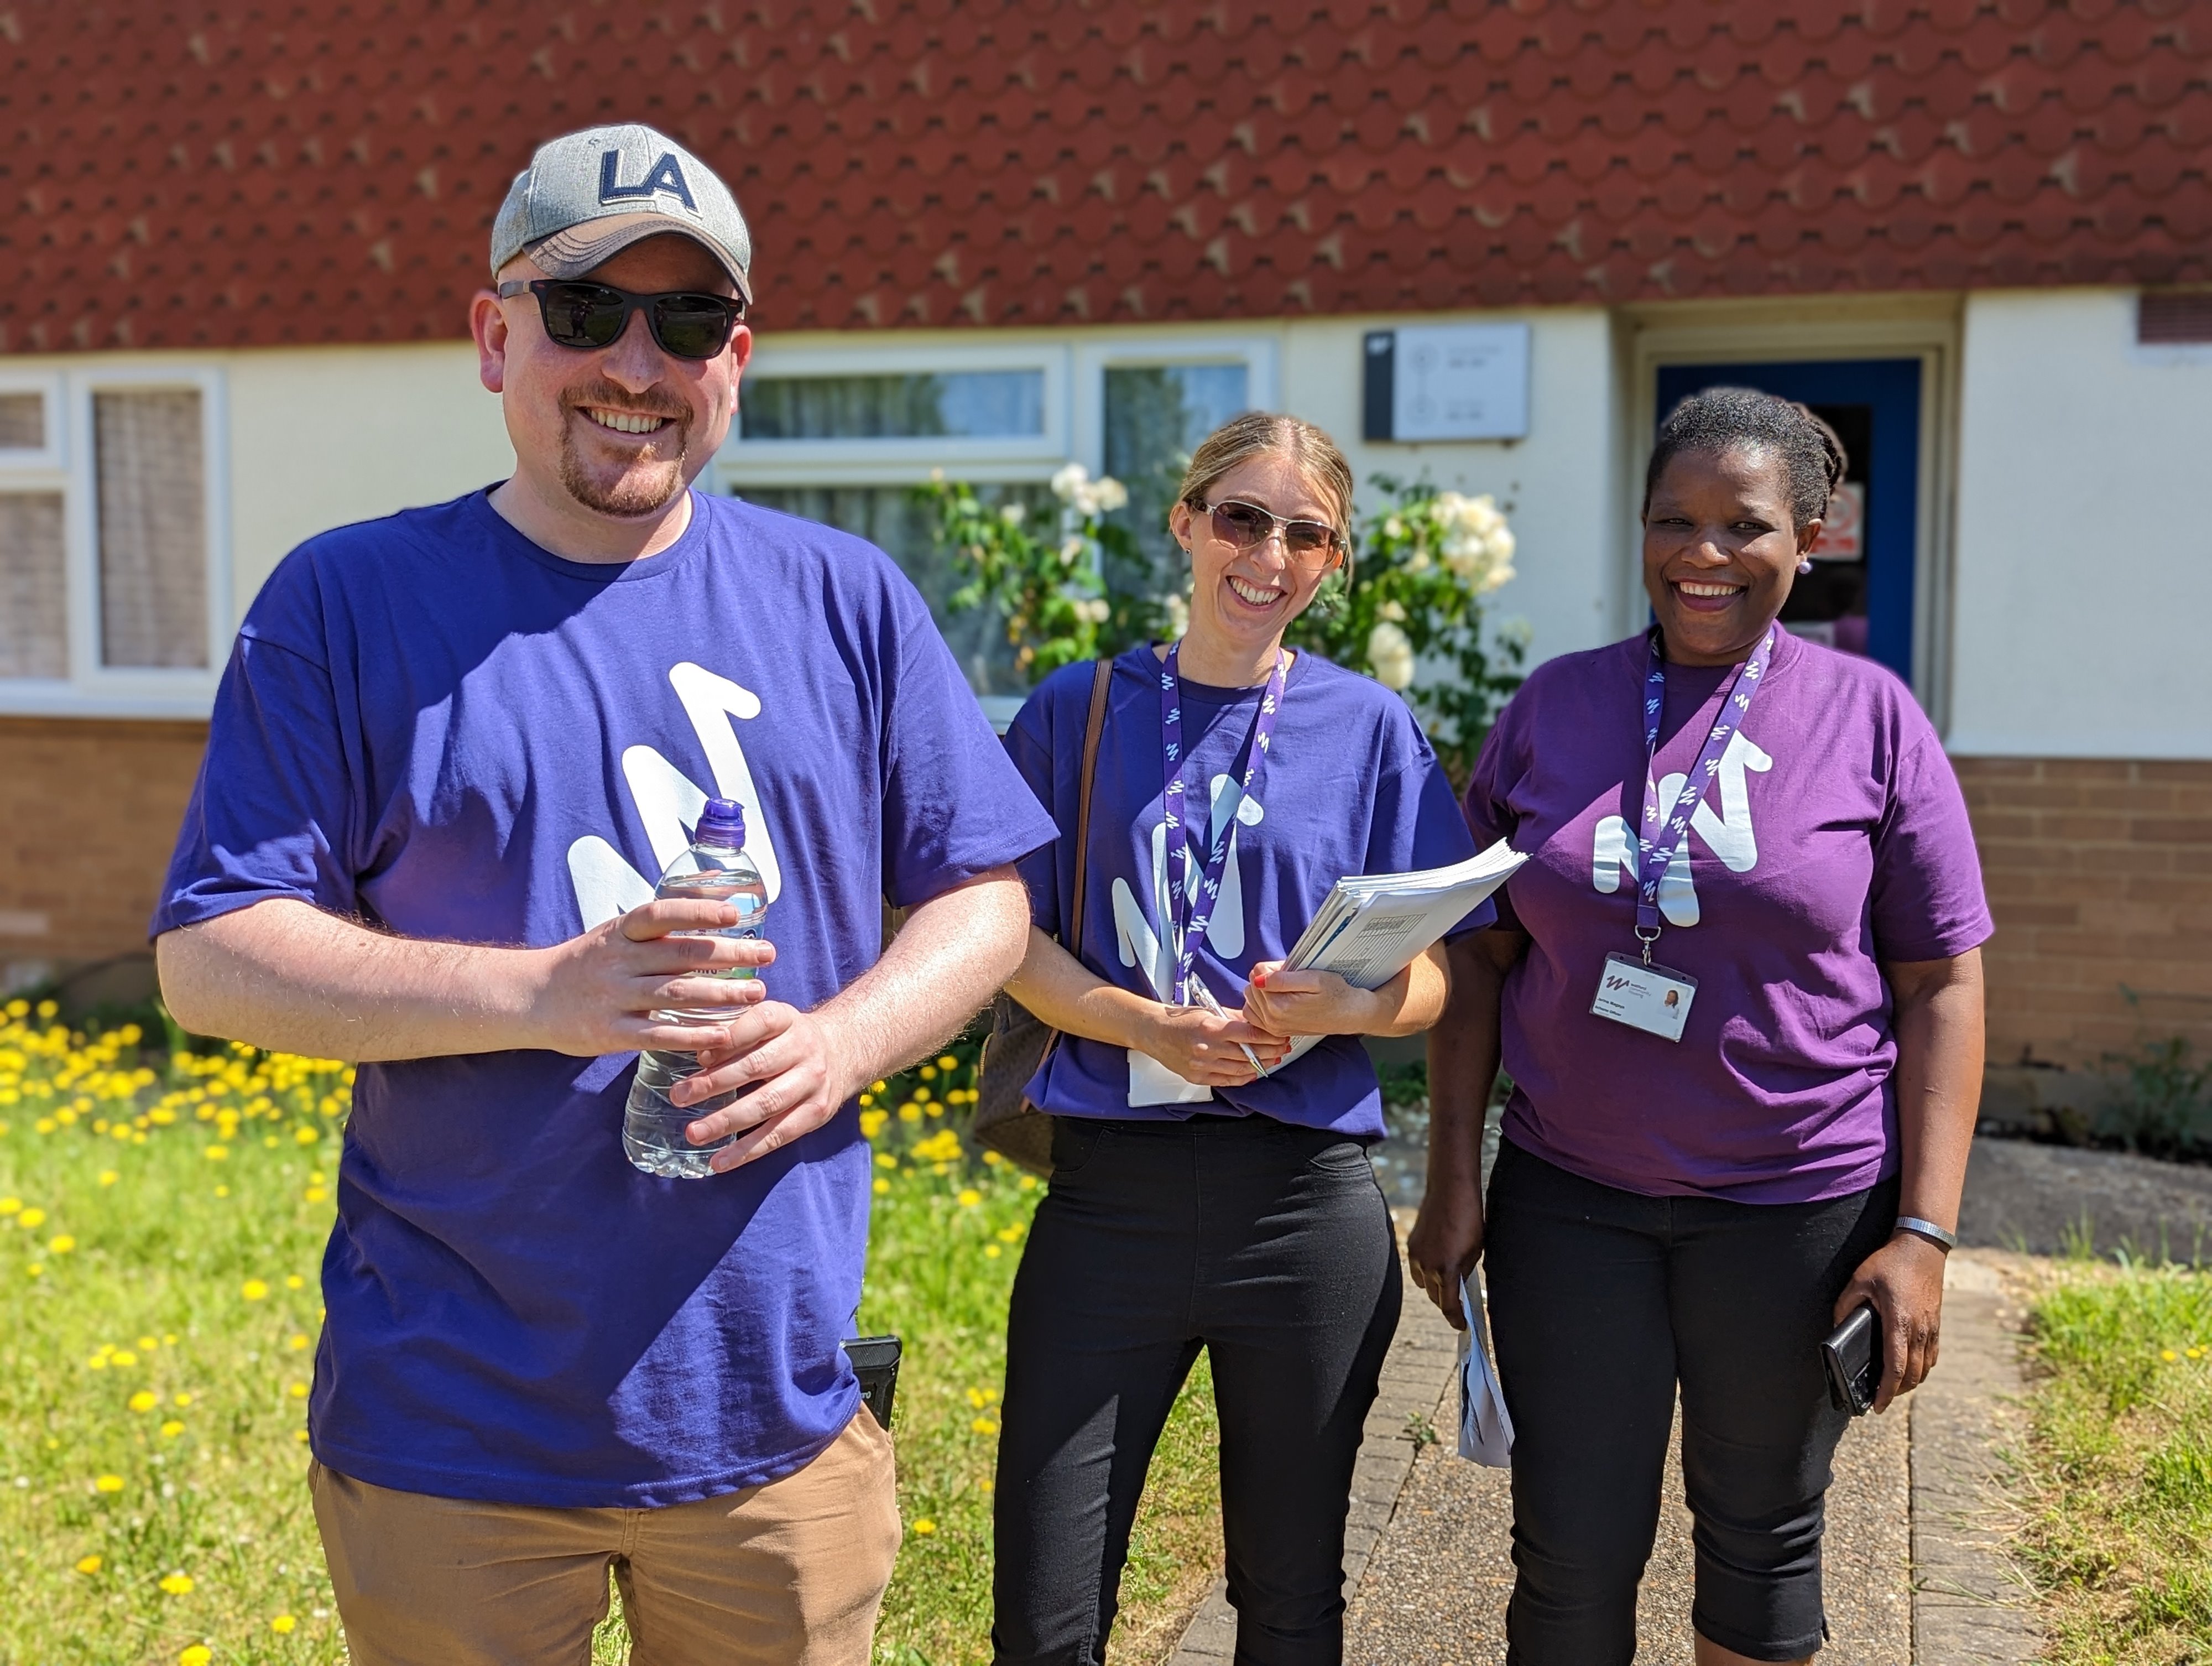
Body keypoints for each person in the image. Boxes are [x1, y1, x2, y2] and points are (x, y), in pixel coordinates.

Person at [152, 123, 1055, 1666]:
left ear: (736, 360)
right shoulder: (348, 600)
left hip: (772, 1421)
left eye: (688, 320)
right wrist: (539, 991)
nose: (638, 364)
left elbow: (985, 893)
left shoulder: (846, 599)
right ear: (493, 336)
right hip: (451, 1434)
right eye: (586, 311)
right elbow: (212, 954)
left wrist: (840, 1043)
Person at [1408, 387, 1990, 1666]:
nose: (1702, 553)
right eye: (1672, 520)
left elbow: (1940, 986)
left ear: (1808, 538)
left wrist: (1922, 1234)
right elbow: (1476, 959)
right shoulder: (1551, 710)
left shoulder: (1868, 719)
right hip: (1571, 1201)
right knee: (1565, 1550)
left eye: (1744, 525)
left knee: (1759, 1541)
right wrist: (1452, 1179)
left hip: (1797, 1206)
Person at [992, 413, 1488, 1666]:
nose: (1268, 555)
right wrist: (1142, 1024)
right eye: (1242, 519)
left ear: (1333, 562)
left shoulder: (1367, 727)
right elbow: (999, 935)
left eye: (1305, 535)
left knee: (1290, 1600)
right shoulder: (1077, 707)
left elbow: (1436, 976)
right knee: (1044, 1614)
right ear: (1187, 523)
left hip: (1300, 1206)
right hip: (1108, 1202)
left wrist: (1353, 1009)